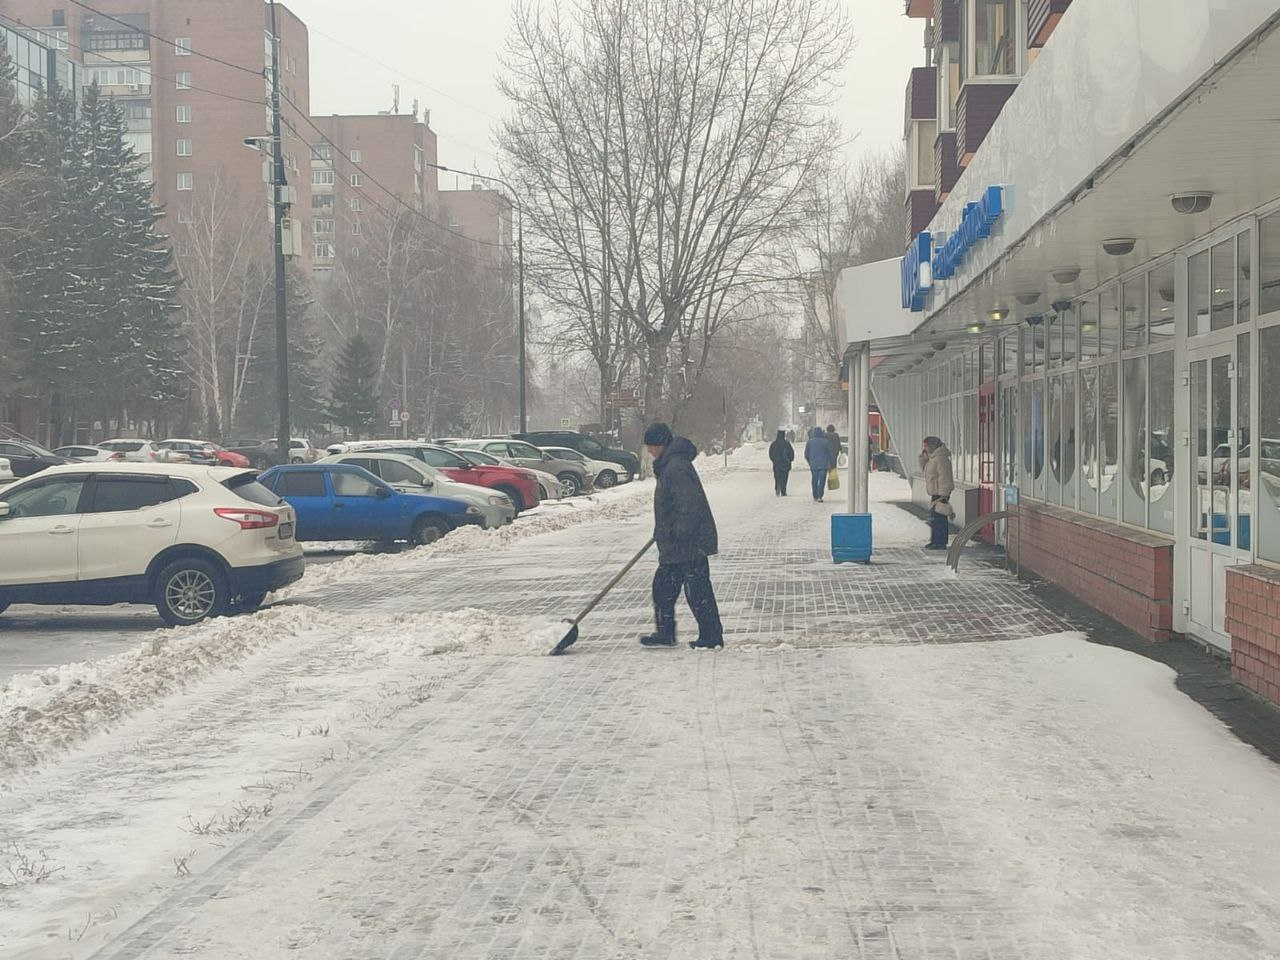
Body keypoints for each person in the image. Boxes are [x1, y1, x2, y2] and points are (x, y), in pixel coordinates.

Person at [638, 422, 725, 650]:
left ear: (661, 444)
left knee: (698, 591)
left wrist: (677, 532)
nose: (649, 450)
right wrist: (664, 530)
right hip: (675, 542)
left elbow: (689, 504)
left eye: (651, 446)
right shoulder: (670, 464)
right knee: (663, 588)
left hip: (688, 542)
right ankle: (665, 633)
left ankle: (711, 636)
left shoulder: (676, 466)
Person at [919, 435, 955, 550]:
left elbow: (945, 477)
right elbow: (927, 471)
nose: (925, 448)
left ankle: (940, 542)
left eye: (926, 446)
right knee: (935, 518)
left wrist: (944, 494)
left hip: (940, 493)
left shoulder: (941, 459)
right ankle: (935, 540)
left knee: (939, 519)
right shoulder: (933, 458)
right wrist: (923, 459)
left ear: (933, 446)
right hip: (935, 492)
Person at [804, 426, 834, 502]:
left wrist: (809, 461)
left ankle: (815, 495)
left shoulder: (810, 442)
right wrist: (831, 463)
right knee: (822, 480)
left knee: (814, 480)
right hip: (823, 465)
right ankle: (820, 495)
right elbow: (830, 453)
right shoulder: (826, 442)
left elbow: (806, 454)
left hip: (813, 465)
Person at [768, 429, 794, 496]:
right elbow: (791, 453)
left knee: (777, 476)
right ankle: (783, 490)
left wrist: (773, 460)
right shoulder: (787, 444)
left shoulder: (774, 444)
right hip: (785, 463)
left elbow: (770, 453)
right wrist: (790, 460)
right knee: (784, 477)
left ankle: (777, 486)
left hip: (777, 464)